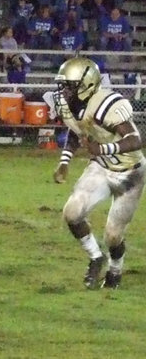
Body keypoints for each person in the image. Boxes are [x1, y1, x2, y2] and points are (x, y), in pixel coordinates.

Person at [52, 57, 145, 289]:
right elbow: (77, 131)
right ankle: (95, 257)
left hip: (129, 173)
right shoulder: (73, 106)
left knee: (113, 235)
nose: (63, 92)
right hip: (101, 166)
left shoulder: (105, 104)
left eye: (68, 86)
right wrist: (65, 161)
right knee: (72, 213)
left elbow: (135, 140)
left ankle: (115, 270)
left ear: (86, 84)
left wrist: (102, 148)